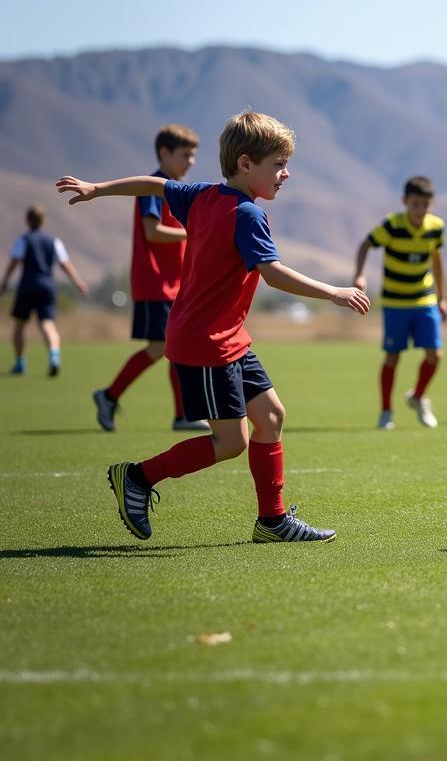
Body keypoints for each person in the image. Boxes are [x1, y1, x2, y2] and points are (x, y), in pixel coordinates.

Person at [56, 111, 371, 544]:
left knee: (272, 417)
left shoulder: (202, 194)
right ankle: (138, 477)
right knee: (229, 443)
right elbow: (273, 273)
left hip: (229, 339)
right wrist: (333, 292)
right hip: (206, 343)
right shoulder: (246, 215)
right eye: (278, 165)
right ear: (245, 164)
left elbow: (155, 185)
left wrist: (98, 189)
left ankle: (272, 521)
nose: (286, 173)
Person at [92, 124, 209, 433]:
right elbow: (152, 231)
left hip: (174, 284)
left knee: (175, 347)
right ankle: (109, 395)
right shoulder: (155, 186)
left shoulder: (175, 188)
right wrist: (191, 232)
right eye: (185, 154)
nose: (191, 161)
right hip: (156, 282)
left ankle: (182, 414)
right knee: (162, 347)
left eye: (194, 155)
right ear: (164, 153)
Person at [353, 176, 447, 430]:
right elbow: (365, 245)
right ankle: (386, 412)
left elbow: (437, 261)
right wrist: (360, 275)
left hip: (424, 299)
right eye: (415, 204)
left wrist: (443, 298)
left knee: (435, 354)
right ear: (405, 201)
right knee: (393, 356)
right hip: (395, 302)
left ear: (432, 204)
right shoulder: (392, 225)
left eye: (425, 205)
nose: (420, 211)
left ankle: (417, 397)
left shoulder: (436, 227)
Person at [1, 205, 88, 375]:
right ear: (43, 220)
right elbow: (64, 263)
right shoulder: (53, 241)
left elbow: (14, 262)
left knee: (20, 325)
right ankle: (54, 357)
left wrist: (4, 282)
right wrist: (78, 281)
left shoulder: (23, 240)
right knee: (48, 324)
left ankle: (20, 363)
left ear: (27, 220)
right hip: (47, 286)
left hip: (27, 285)